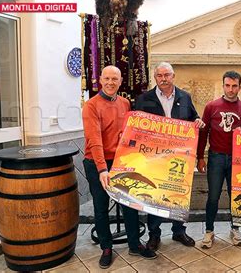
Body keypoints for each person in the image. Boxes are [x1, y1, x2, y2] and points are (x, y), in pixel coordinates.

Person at [82, 66, 156, 269]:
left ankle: (134, 244)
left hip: (121, 161)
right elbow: (94, 139)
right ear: (100, 80)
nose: (110, 82)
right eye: (106, 78)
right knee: (101, 207)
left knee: (129, 204)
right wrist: (101, 169)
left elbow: (129, 134)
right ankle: (106, 247)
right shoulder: (91, 106)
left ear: (121, 81)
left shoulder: (125, 103)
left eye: (114, 78)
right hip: (97, 163)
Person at [134, 62, 205, 252]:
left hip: (179, 160)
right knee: (154, 196)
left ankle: (178, 231)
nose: (163, 79)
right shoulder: (143, 99)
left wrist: (197, 121)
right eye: (159, 75)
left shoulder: (185, 97)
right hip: (154, 160)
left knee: (178, 195)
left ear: (173, 76)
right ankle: (154, 234)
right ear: (155, 77)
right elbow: (135, 128)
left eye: (167, 75)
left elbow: (194, 118)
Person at [197, 71, 241, 249]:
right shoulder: (211, 107)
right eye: (228, 85)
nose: (231, 89)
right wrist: (200, 157)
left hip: (238, 161)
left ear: (240, 87)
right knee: (213, 197)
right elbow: (203, 133)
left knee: (236, 197)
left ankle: (235, 228)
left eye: (234, 86)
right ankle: (209, 230)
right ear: (223, 86)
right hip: (216, 158)